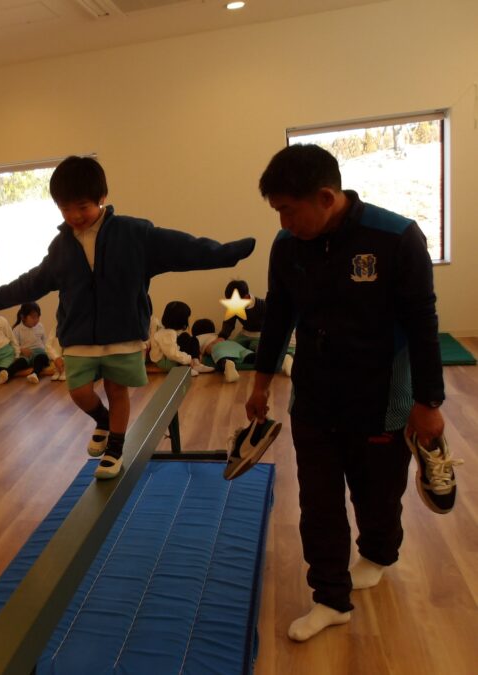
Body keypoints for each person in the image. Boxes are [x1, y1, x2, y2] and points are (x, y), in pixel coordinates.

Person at [246, 144, 462, 642]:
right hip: (314, 395)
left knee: (377, 496)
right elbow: (278, 315)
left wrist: (429, 404)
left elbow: (423, 325)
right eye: (277, 211)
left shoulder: (396, 238)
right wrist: (260, 382)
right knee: (318, 501)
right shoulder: (287, 244)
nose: (283, 221)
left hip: (381, 396)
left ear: (326, 197)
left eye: (288, 209)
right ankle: (330, 598)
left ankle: (378, 553)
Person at [0, 155, 255, 479]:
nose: (74, 216)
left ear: (102, 197)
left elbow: (183, 248)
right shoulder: (61, 247)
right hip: (78, 336)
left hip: (123, 333)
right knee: (79, 391)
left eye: (82, 207)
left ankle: (115, 447)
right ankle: (102, 421)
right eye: (65, 209)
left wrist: (226, 254)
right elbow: (34, 281)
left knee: (117, 391)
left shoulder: (133, 233)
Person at [149, 301, 214, 376]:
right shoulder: (167, 334)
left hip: (169, 357)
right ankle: (185, 368)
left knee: (191, 338)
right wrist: (188, 359)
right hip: (164, 361)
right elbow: (172, 354)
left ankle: (196, 363)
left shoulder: (171, 331)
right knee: (184, 339)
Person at [191, 318, 254, 383]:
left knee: (221, 357)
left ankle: (226, 365)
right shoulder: (217, 335)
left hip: (217, 347)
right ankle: (251, 356)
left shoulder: (197, 338)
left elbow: (195, 351)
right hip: (232, 343)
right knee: (243, 353)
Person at [12, 302, 51, 384]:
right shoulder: (17, 330)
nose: (36, 320)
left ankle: (34, 374)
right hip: (27, 356)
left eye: (38, 317)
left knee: (41, 358)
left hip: (39, 353)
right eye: (33, 317)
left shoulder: (40, 326)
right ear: (23, 317)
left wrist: (49, 354)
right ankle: (7, 372)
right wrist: (21, 350)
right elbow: (13, 346)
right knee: (19, 363)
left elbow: (45, 342)